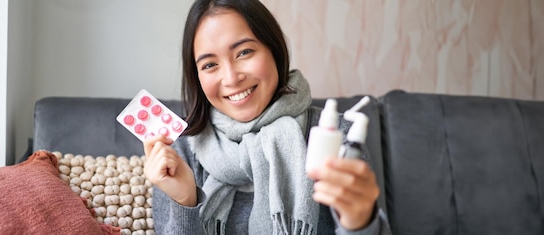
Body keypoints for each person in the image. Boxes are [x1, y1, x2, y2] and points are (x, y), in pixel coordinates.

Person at [143, 0, 391, 234]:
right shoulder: (180, 153)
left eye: (244, 52)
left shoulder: (334, 134)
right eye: (210, 65)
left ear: (273, 49)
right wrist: (185, 201)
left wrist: (360, 221)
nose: (231, 78)